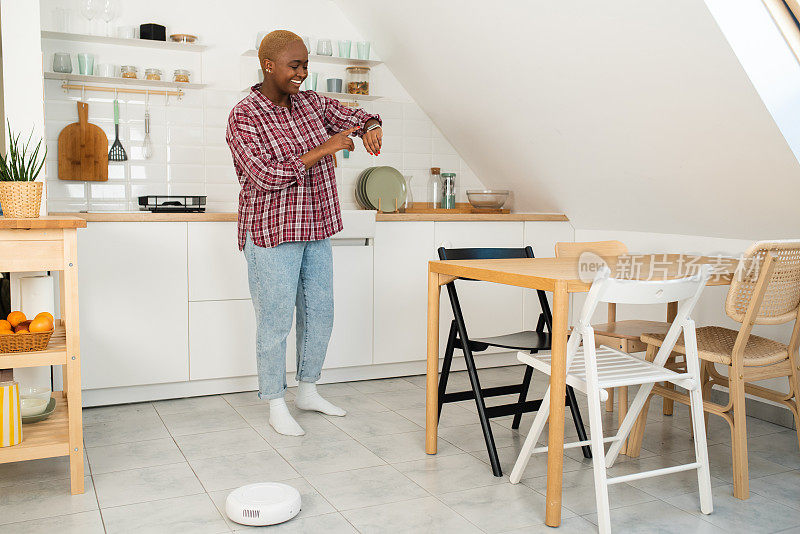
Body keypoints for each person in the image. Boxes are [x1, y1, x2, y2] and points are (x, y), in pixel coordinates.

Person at [226, 30, 382, 436]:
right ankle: (275, 400)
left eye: (306, 64)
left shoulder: (312, 102)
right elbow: (265, 176)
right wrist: (325, 149)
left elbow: (351, 114)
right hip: (271, 231)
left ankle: (307, 390)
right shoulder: (244, 116)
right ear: (269, 65)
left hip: (316, 225)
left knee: (319, 312)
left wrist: (369, 123)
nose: (303, 73)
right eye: (295, 65)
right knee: (275, 320)